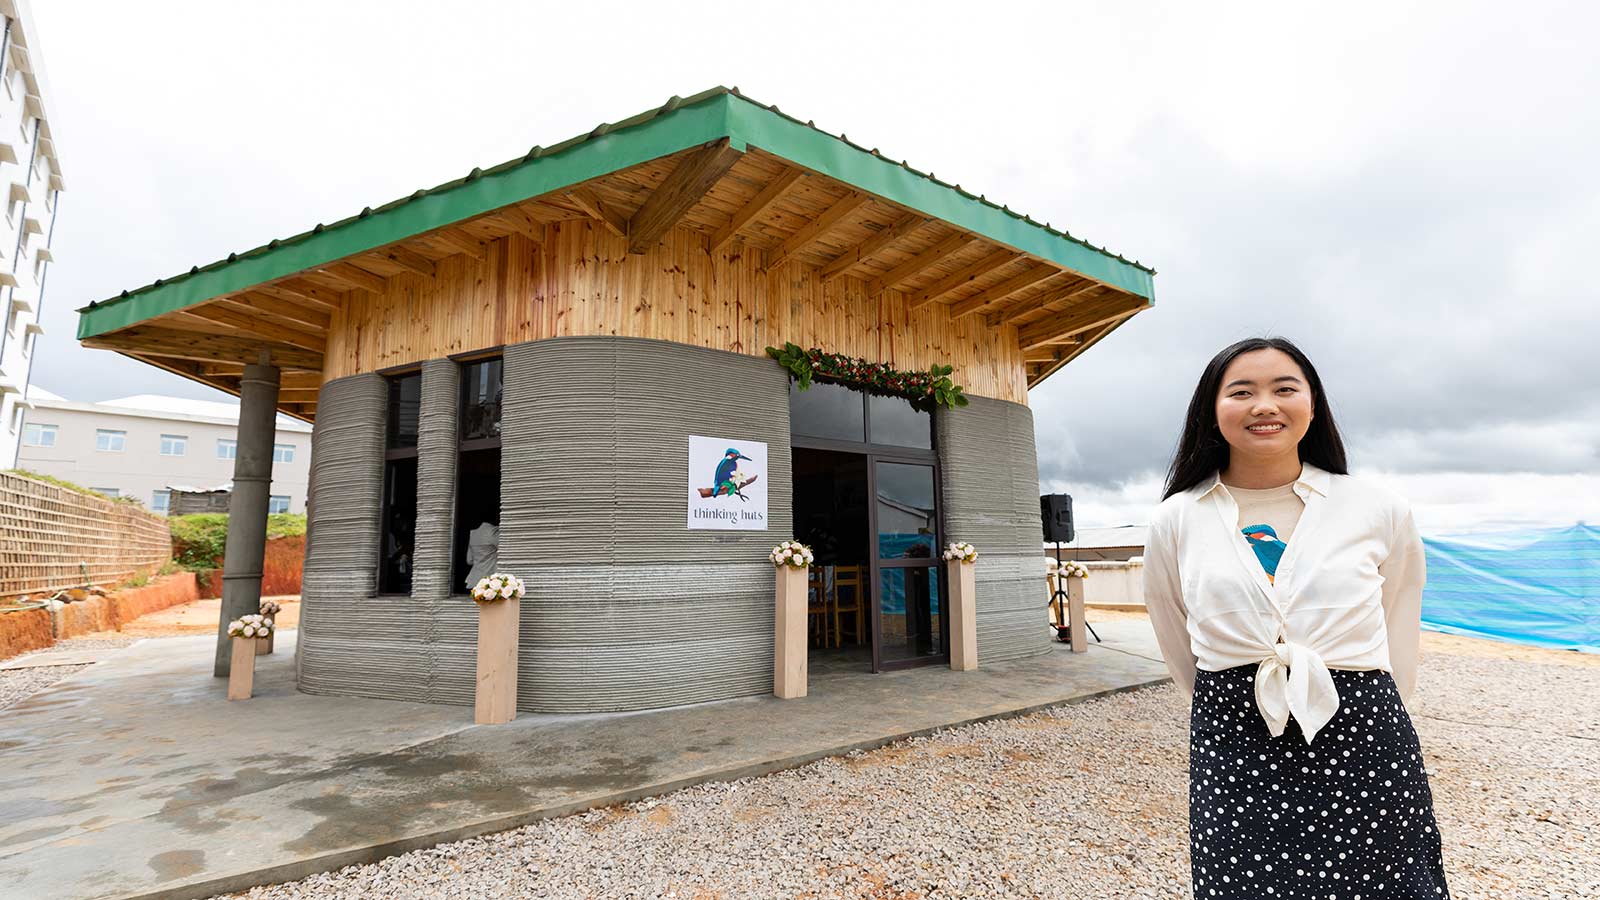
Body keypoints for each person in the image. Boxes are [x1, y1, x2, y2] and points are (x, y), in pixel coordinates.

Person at [1142, 337, 1451, 898]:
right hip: (1233, 734)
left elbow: (1399, 614)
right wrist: (1227, 695)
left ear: (1313, 403)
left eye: (1285, 389)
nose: (1265, 405)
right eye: (1242, 391)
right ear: (1212, 410)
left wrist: (1382, 706)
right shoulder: (1177, 517)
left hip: (1363, 732)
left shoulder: (1376, 507)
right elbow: (1173, 627)